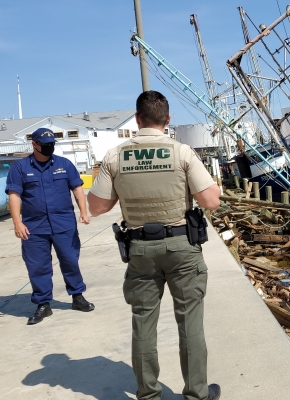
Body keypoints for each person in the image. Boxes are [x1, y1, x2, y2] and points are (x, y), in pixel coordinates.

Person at [87, 90, 222, 400]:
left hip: (139, 250)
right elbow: (210, 201)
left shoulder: (115, 156)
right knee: (190, 322)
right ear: (168, 119)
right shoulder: (182, 153)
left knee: (143, 322)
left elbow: (96, 208)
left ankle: (148, 394)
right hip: (181, 247)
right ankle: (197, 394)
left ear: (137, 120)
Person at [5, 128, 95, 325]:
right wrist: (17, 222)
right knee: (38, 266)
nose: (49, 148)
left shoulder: (64, 164)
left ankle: (77, 297)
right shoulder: (19, 168)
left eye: (51, 144)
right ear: (34, 145)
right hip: (34, 227)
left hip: (63, 224)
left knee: (70, 260)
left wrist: (83, 211)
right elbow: (14, 195)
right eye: (45, 145)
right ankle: (43, 304)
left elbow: (77, 188)